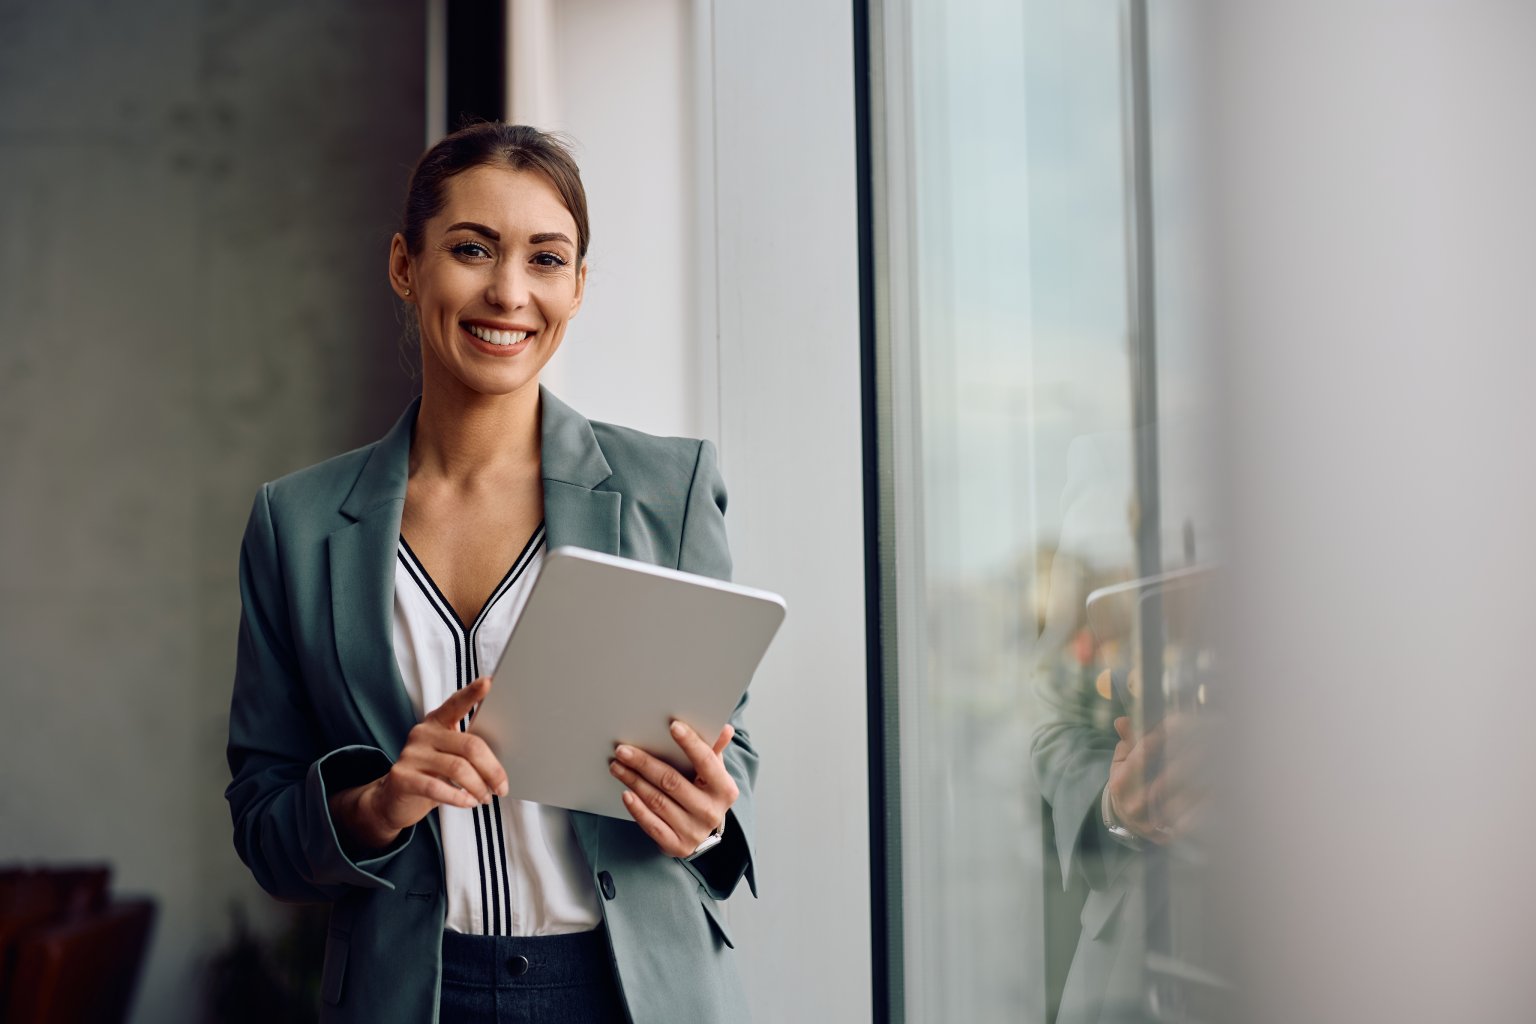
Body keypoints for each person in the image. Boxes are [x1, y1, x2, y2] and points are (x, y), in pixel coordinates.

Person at [225, 123, 757, 1024]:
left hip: (631, 992)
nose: (509, 292)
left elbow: (731, 751)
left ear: (579, 286)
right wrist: (379, 802)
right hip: (412, 996)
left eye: (546, 260)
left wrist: (706, 818)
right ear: (405, 264)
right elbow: (264, 822)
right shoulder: (297, 523)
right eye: (472, 249)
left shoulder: (671, 489)